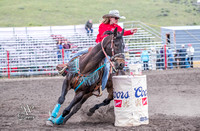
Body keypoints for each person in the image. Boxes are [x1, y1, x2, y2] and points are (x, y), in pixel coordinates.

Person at [62, 10, 137, 96]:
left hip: (106, 52)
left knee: (106, 68)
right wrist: (111, 37)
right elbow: (102, 36)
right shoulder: (103, 26)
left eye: (117, 18)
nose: (117, 20)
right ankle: (66, 67)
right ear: (110, 18)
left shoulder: (117, 27)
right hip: (98, 48)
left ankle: (100, 87)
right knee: (78, 53)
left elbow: (122, 33)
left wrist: (131, 31)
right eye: (115, 18)